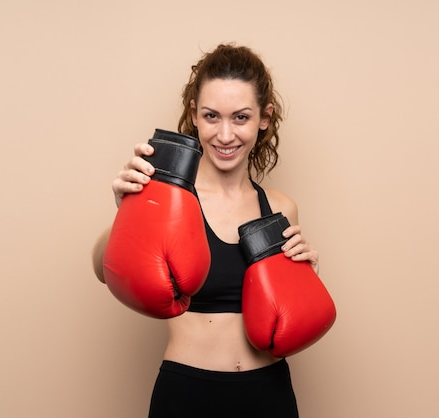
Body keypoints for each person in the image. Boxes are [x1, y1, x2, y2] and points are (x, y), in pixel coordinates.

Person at [93, 43, 321, 418]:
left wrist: (306, 274)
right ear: (194, 115)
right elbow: (103, 270)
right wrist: (128, 216)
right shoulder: (169, 200)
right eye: (212, 116)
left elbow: (289, 313)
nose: (226, 135)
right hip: (186, 394)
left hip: (268, 394)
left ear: (265, 118)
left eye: (241, 117)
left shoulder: (282, 208)